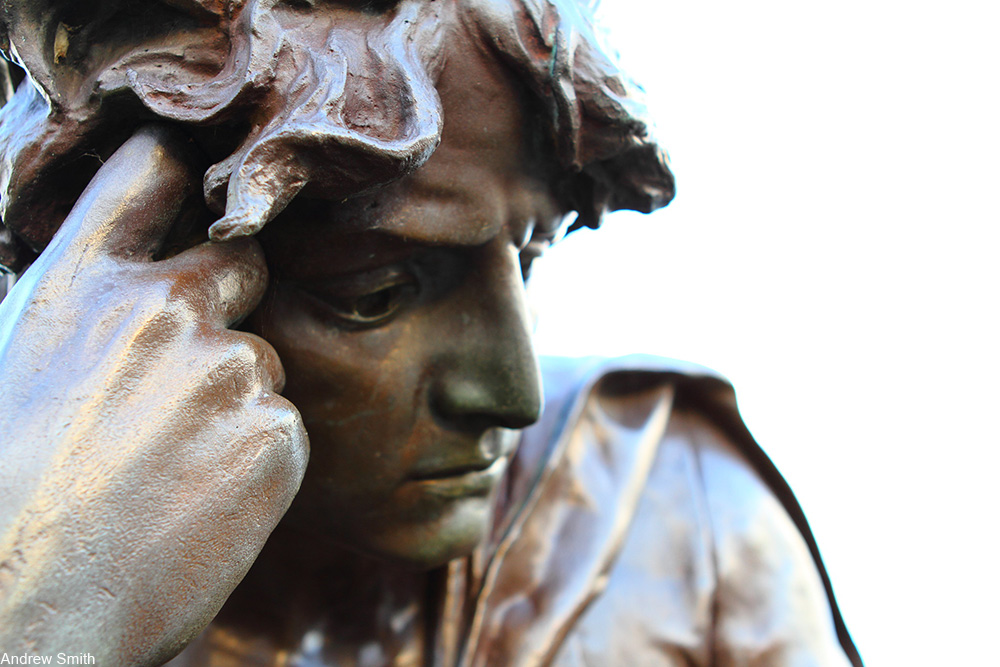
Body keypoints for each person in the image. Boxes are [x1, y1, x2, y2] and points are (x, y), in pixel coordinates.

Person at [0, 0, 862, 665]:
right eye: (375, 292)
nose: (513, 395)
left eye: (530, 254)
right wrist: (34, 608)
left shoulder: (678, 511)